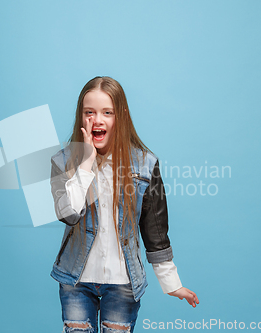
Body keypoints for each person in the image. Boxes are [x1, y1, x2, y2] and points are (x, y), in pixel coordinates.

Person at [50, 76, 199, 333]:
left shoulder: (145, 165)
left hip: (123, 283)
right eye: (90, 112)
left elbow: (155, 230)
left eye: (107, 112)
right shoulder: (63, 161)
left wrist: (171, 282)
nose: (98, 119)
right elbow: (69, 214)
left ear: (121, 116)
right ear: (81, 117)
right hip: (76, 281)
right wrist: (85, 166)